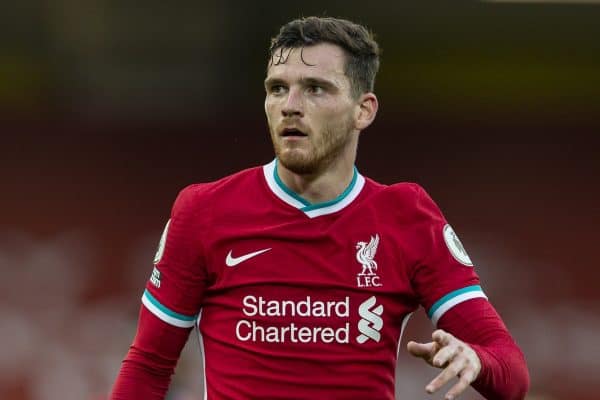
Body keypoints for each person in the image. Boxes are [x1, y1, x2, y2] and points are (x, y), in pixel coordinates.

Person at [111, 16, 529, 400]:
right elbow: (148, 367)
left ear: (363, 110)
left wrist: (477, 361)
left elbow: (511, 374)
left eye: (315, 88)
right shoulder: (204, 211)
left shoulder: (407, 216)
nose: (290, 104)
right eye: (277, 88)